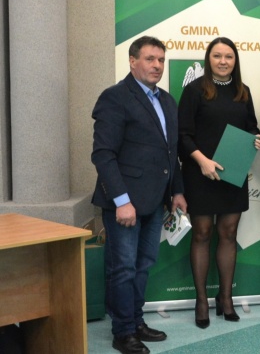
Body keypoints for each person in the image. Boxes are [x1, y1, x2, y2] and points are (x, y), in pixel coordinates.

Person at [91, 36, 187, 354]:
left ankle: (135, 321)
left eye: (161, 60)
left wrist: (177, 191)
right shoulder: (115, 97)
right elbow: (103, 154)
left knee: (144, 264)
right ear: (133, 61)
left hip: (155, 201)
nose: (157, 65)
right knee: (123, 268)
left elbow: (171, 152)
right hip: (125, 204)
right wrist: (122, 201)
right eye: (149, 59)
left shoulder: (167, 101)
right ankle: (123, 332)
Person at [178, 37, 260, 329]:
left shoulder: (243, 91)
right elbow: (182, 135)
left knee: (228, 233)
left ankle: (226, 298)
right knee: (202, 232)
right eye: (217, 56)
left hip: (232, 173)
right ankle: (201, 301)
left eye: (229, 56)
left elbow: (251, 127)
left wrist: (256, 138)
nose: (223, 61)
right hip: (200, 173)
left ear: (235, 60)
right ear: (209, 59)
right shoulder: (194, 90)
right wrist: (202, 161)